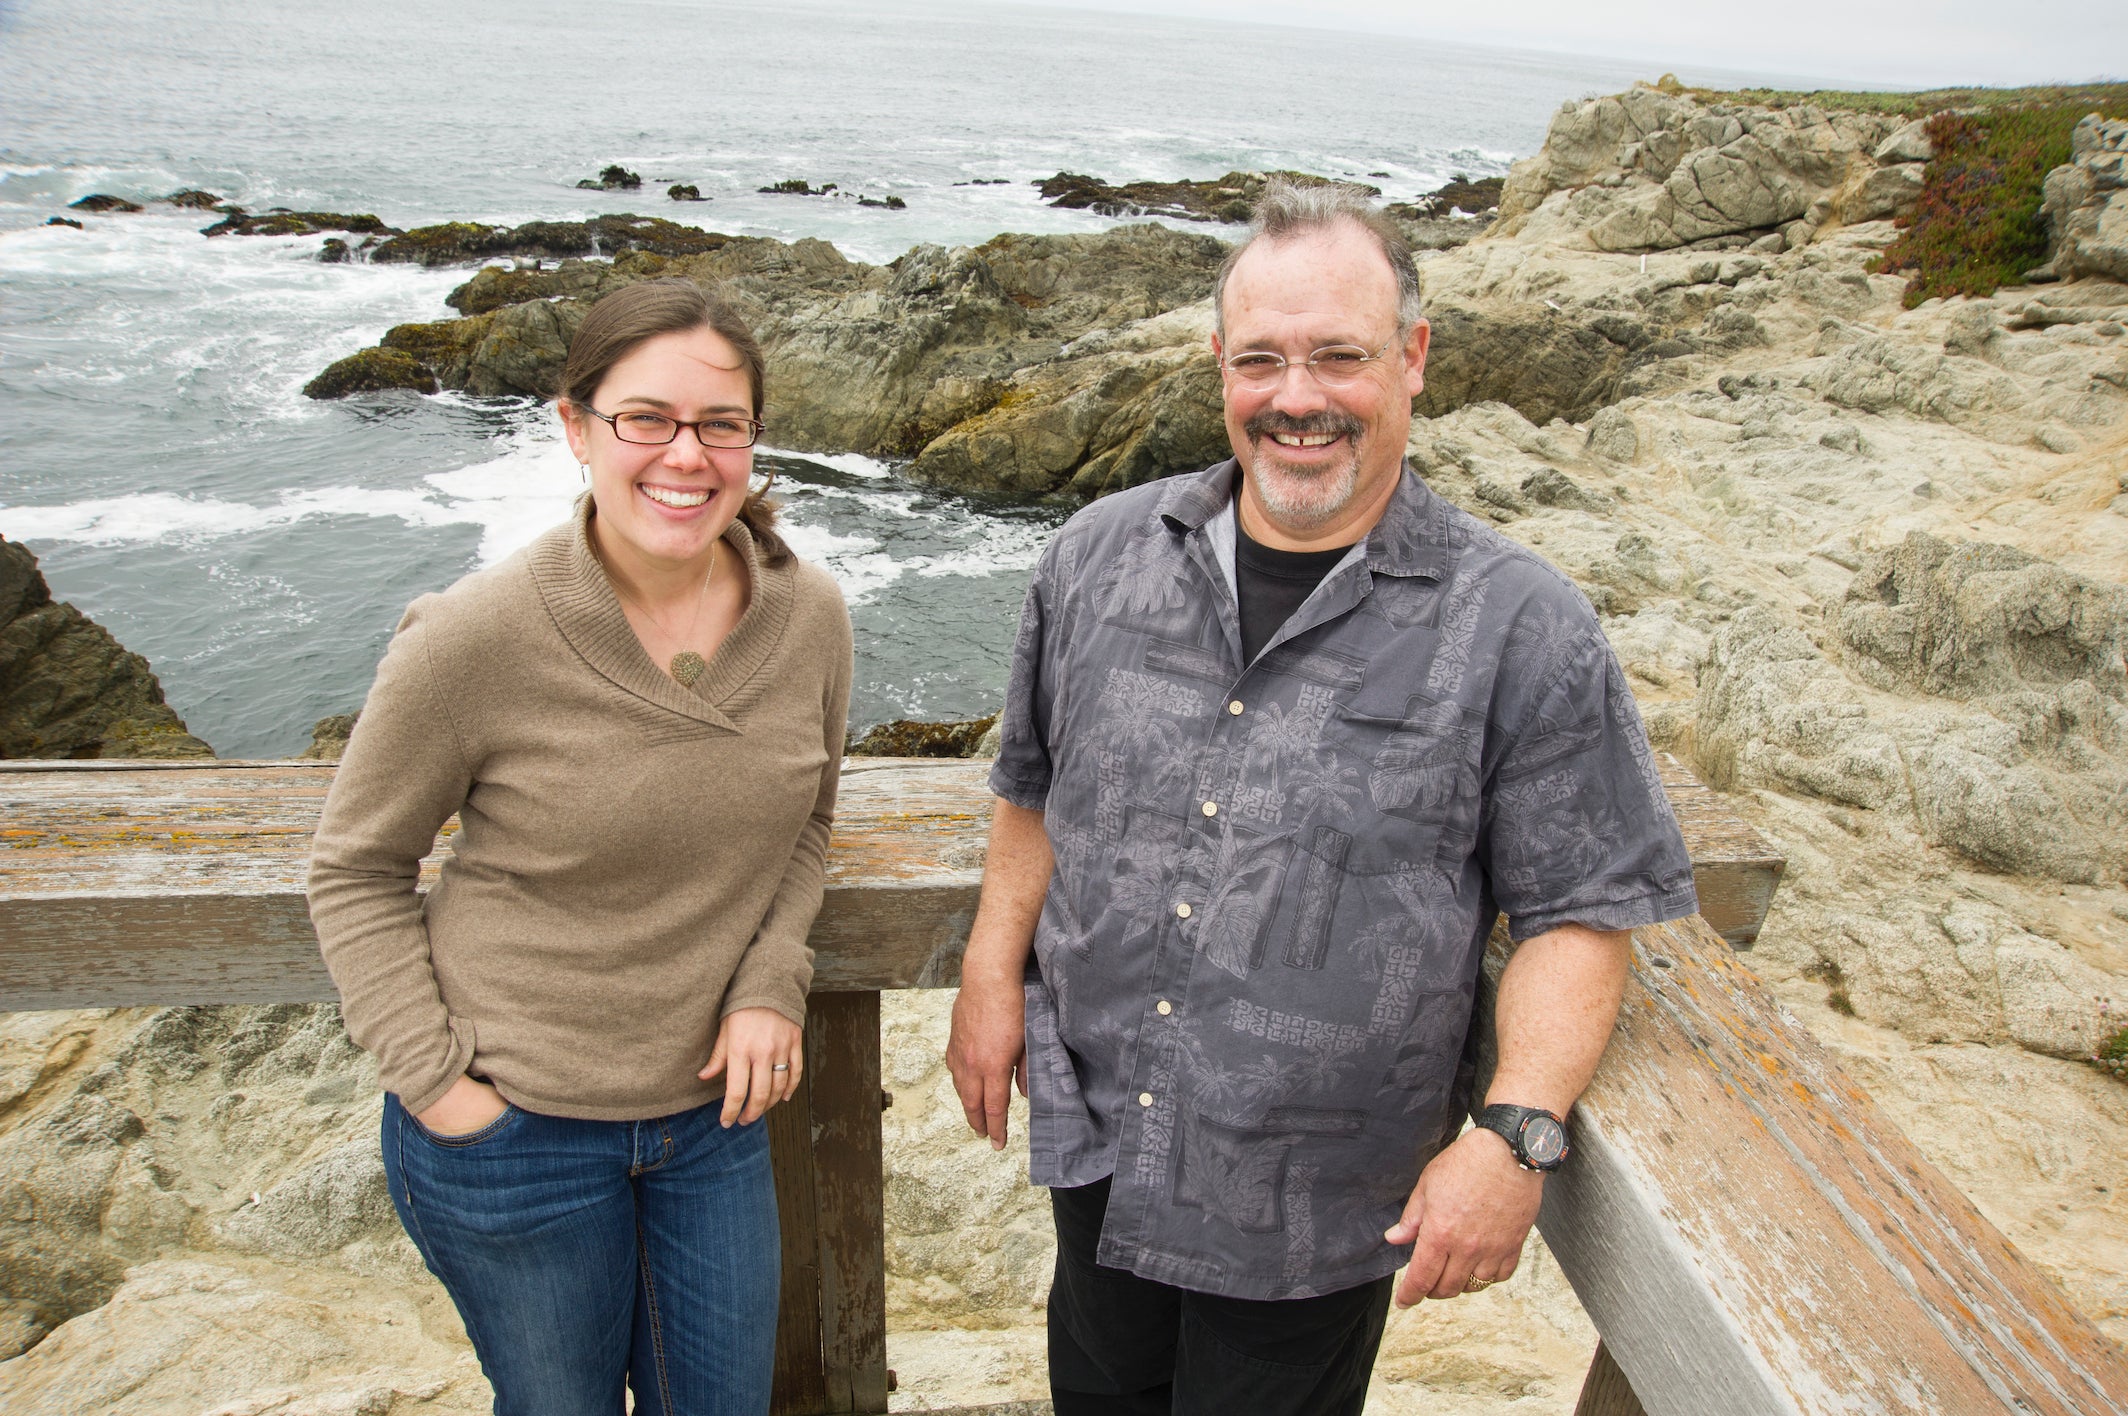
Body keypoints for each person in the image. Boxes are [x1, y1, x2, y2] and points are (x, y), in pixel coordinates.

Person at [945, 180, 1698, 1415]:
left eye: (1338, 357)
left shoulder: (1521, 624)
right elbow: (1031, 788)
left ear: (1410, 358)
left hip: (1311, 1206)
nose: (1296, 398)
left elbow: (1582, 908)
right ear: (1219, 368)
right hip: (1100, 1136)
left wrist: (1514, 1134)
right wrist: (988, 979)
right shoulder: (1095, 558)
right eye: (1262, 361)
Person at [308, 278, 852, 1416]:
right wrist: (442, 1087)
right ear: (575, 426)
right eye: (644, 418)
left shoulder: (810, 620)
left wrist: (770, 980)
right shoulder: (473, 637)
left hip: (714, 1126)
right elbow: (356, 868)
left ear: (754, 439)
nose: (685, 456)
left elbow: (807, 819)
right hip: (514, 1131)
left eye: (720, 424)